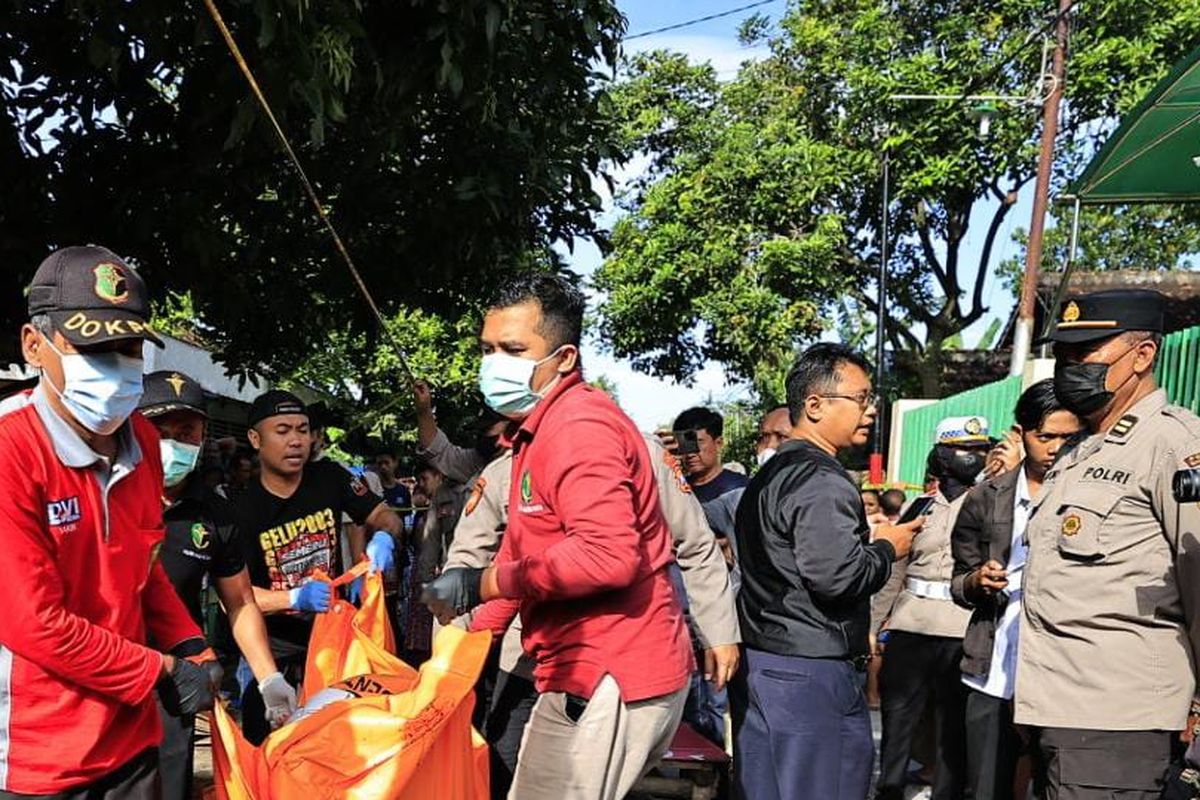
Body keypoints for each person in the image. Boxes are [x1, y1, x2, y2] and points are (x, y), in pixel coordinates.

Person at [422, 273, 692, 800]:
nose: (495, 363)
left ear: (564, 358)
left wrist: (483, 584)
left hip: (610, 669)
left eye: (514, 349)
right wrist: (467, 633)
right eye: (488, 348)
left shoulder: (577, 429)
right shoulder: (538, 430)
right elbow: (536, 554)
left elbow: (607, 556)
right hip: (579, 667)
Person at [0, 245, 215, 798]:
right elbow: (34, 624)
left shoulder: (142, 439)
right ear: (34, 345)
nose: (116, 366)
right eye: (94, 347)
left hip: (130, 741)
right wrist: (162, 671)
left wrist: (190, 643)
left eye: (127, 347)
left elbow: (143, 569)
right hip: (39, 754)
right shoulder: (10, 449)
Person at [439, 430, 739, 798]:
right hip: (526, 657)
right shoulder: (508, 469)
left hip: (619, 660)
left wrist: (719, 631)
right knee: (510, 766)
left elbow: (695, 542)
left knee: (590, 781)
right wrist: (446, 663)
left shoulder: (637, 452)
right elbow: (468, 562)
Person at [1017, 289, 1200, 799]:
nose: (1069, 368)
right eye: (1064, 356)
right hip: (1056, 708)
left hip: (1119, 718)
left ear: (1143, 356)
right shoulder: (1078, 449)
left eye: (1086, 354)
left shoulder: (1177, 447)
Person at [733, 343, 921, 800]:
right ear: (814, 405)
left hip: (766, 661)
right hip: (810, 671)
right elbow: (836, 578)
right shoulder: (821, 478)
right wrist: (885, 548)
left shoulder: (771, 473)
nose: (871, 410)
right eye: (861, 398)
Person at [137, 371, 298, 800]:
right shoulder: (110, 490)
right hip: (102, 669)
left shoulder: (215, 513)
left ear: (204, 434)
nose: (173, 442)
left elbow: (241, 601)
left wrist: (268, 679)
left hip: (176, 681)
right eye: (160, 430)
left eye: (186, 431)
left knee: (170, 788)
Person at [231, 389, 403, 743]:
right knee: (265, 743)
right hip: (268, 648)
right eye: (282, 431)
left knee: (334, 740)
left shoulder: (330, 478)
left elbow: (387, 517)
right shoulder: (239, 509)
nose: (296, 441)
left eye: (302, 429)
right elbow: (237, 598)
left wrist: (384, 538)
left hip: (330, 639)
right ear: (255, 438)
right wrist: (294, 598)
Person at [950, 380, 1082, 800]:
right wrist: (977, 581)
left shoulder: (1089, 493)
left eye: (1068, 437)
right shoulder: (986, 498)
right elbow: (959, 579)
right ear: (1021, 433)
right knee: (987, 782)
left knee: (1054, 782)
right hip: (994, 666)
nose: (1056, 447)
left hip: (1063, 669)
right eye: (1045, 437)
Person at [872, 416, 996, 800]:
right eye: (966, 450)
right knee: (898, 717)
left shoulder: (991, 502)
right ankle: (889, 788)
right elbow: (895, 568)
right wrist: (874, 624)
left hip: (960, 628)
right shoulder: (918, 505)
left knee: (950, 725)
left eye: (980, 449)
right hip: (912, 624)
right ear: (942, 456)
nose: (976, 457)